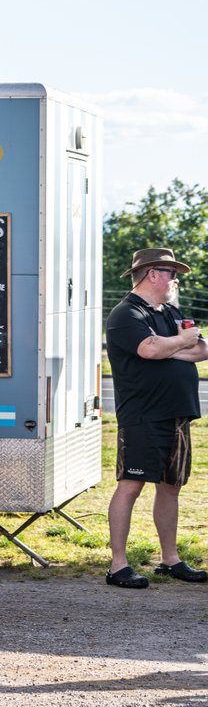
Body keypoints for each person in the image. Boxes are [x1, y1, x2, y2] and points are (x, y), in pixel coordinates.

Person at [104, 248, 208, 587]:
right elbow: (149, 349)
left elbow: (201, 350)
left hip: (177, 414)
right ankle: (118, 565)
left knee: (171, 487)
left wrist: (168, 346)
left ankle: (170, 559)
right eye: (170, 272)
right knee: (131, 486)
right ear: (152, 274)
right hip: (143, 416)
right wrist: (176, 344)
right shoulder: (126, 314)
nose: (175, 279)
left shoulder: (170, 311)